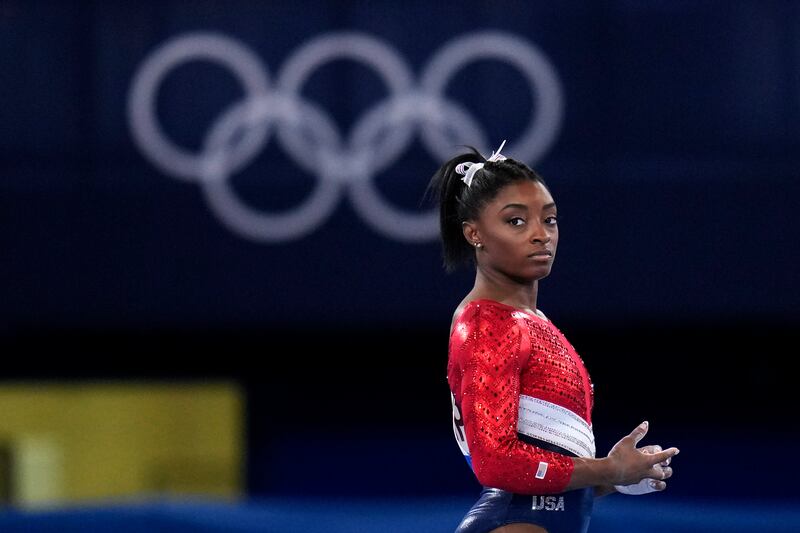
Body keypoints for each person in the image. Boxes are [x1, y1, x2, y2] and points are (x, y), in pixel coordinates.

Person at [428, 141, 679, 533]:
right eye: (516, 221)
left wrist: (618, 477)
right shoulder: (487, 322)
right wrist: (606, 468)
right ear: (474, 233)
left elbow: (545, 468)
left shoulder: (531, 321)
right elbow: (495, 463)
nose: (540, 235)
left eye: (549, 219)